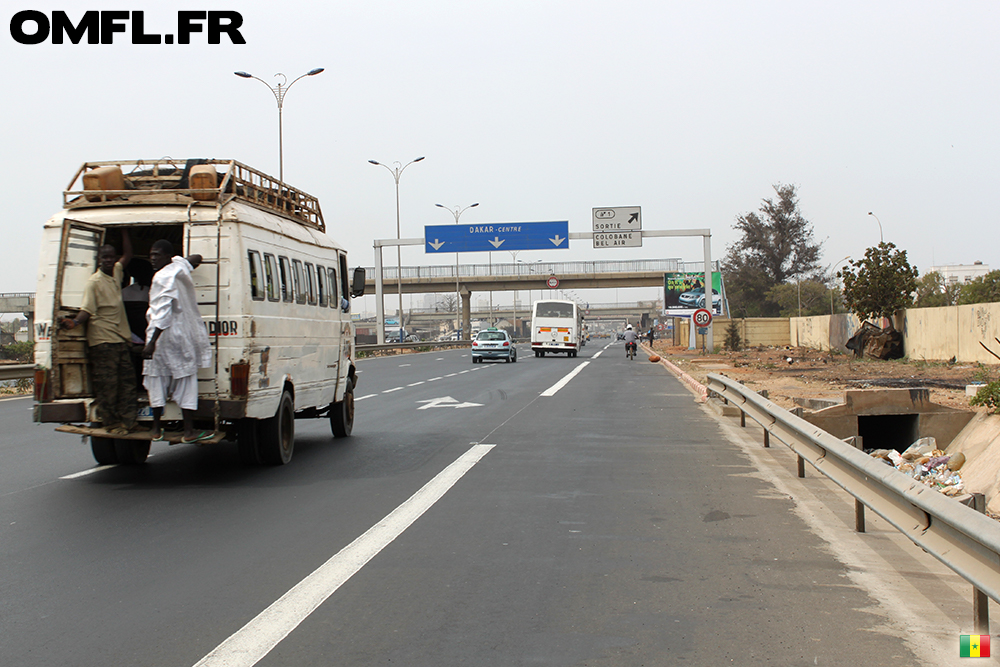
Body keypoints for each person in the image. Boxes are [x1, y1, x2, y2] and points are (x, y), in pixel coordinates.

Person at [60, 231, 136, 436]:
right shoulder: (94, 282)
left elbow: (128, 254)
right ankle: (110, 423)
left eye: (111, 257)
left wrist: (125, 230)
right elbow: (87, 311)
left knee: (128, 384)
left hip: (120, 339)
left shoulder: (117, 273)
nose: (109, 261)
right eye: (105, 258)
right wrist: (74, 322)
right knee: (108, 386)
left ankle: (129, 422)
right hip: (103, 341)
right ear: (99, 260)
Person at [143, 240, 213, 443]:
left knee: (156, 380)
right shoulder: (178, 268)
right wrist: (179, 261)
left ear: (167, 256)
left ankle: (156, 429)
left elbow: (162, 313)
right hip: (179, 336)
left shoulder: (162, 276)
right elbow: (196, 258)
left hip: (160, 335)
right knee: (185, 380)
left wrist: (151, 342)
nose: (153, 258)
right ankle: (188, 431)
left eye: (157, 254)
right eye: (151, 255)